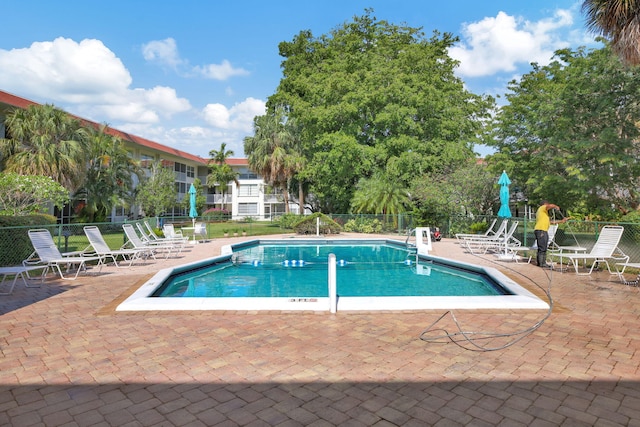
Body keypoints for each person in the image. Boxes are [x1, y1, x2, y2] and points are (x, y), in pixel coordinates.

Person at [534, 200, 567, 268]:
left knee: (543, 247)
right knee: (542, 248)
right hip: (541, 230)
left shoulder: (543, 214)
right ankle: (542, 264)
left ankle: (541, 263)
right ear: (545, 204)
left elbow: (551, 222)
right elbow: (549, 206)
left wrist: (561, 221)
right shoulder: (542, 208)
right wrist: (555, 206)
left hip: (542, 230)